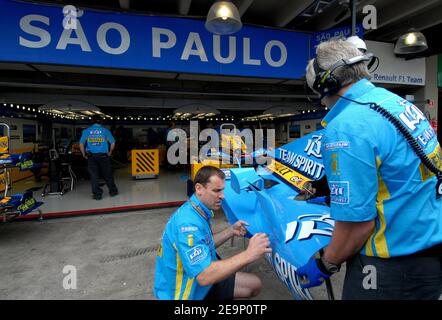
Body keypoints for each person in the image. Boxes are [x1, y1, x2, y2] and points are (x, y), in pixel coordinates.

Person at [297, 38, 442, 299]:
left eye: (318, 92)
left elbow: (357, 226)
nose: (322, 102)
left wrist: (326, 263)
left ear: (328, 85)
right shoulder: (398, 104)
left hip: (390, 268)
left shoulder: (346, 127)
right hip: (428, 255)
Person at [154, 166, 272, 300]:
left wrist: (230, 231)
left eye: (222, 190)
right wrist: (249, 254)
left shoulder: (197, 210)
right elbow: (204, 276)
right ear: (199, 189)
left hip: (199, 281)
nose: (222, 196)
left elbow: (205, 244)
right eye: (216, 191)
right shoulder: (188, 225)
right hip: (186, 293)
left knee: (253, 284)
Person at [79, 115, 118, 200]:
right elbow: (112, 143)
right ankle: (113, 191)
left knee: (94, 175)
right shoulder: (105, 131)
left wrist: (83, 154)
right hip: (104, 156)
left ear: (92, 121)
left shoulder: (86, 131)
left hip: (91, 156)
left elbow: (81, 144)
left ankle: (97, 194)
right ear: (101, 121)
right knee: (107, 174)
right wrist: (110, 152)